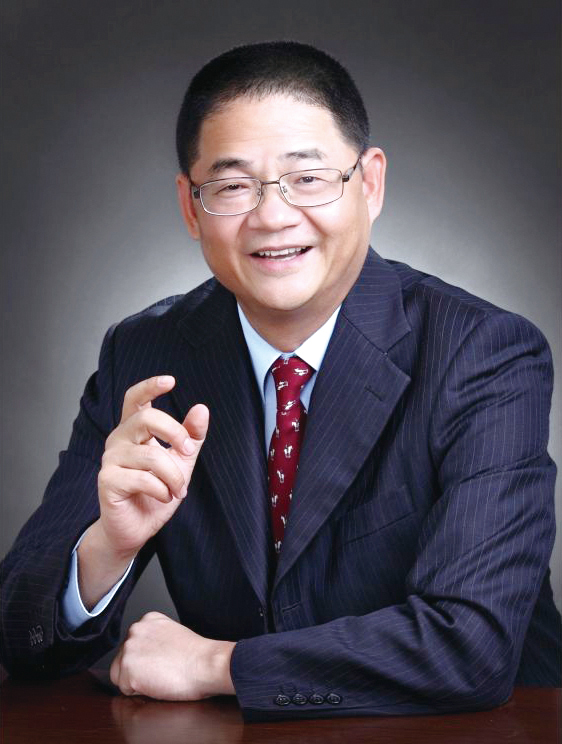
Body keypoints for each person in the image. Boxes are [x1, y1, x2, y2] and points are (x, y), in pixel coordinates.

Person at [1, 41, 560, 721]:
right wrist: (106, 548)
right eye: (233, 186)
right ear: (190, 206)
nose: (272, 216)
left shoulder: (482, 353)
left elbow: (471, 648)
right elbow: (20, 639)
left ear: (370, 184)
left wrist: (218, 664)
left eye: (308, 177)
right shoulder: (145, 354)